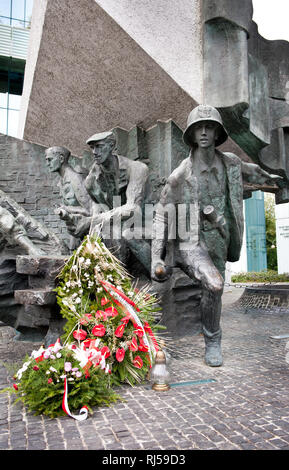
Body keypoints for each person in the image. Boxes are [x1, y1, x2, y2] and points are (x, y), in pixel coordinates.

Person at [151, 104, 280, 367]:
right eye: (199, 128)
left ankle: (211, 336)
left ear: (218, 132)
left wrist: (274, 177)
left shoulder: (230, 162)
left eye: (209, 127)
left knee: (215, 291)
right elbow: (161, 216)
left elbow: (251, 170)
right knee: (214, 283)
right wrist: (156, 257)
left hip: (220, 238)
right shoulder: (179, 176)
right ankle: (213, 341)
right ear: (192, 134)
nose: (204, 132)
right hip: (191, 242)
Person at [78, 131, 151, 273]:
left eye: (99, 146)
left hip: (146, 219)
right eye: (92, 148)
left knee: (126, 234)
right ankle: (115, 282)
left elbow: (134, 208)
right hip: (117, 222)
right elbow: (97, 208)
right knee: (106, 234)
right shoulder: (91, 181)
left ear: (111, 146)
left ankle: (156, 275)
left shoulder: (136, 168)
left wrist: (97, 219)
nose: (94, 152)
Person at [45, 146, 92, 238]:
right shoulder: (62, 181)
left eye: (50, 160)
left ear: (61, 158)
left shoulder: (75, 179)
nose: (47, 164)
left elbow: (90, 210)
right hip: (77, 233)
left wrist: (66, 208)